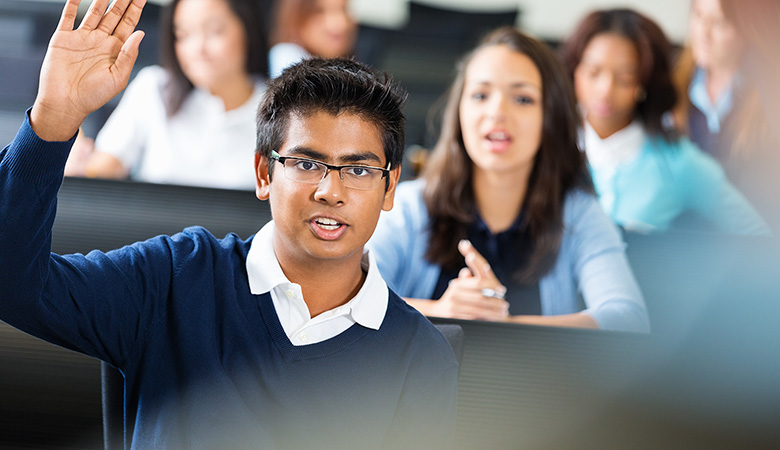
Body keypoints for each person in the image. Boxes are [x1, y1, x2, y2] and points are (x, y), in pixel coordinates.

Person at [0, 0, 457, 448]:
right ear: (263, 173)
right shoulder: (174, 277)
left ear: (390, 187)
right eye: (305, 164)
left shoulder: (419, 355)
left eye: (357, 170)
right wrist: (52, 121)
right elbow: (13, 284)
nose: (330, 191)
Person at [367, 27, 649, 333]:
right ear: (459, 112)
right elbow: (344, 299)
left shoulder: (580, 215)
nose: (497, 111)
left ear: (550, 118)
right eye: (480, 95)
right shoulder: (406, 206)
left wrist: (506, 325)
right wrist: (441, 311)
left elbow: (628, 321)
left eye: (523, 99)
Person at [559, 8, 769, 235]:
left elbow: (758, 236)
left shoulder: (677, 161)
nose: (605, 90)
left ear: (643, 83)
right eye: (593, 72)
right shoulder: (548, 143)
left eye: (624, 79)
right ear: (574, 71)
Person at [64, 0, 269, 190]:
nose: (197, 49)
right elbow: (103, 169)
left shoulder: (280, 106)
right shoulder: (154, 88)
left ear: (248, 29)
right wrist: (77, 161)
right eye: (183, 35)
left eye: (214, 31)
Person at [268, 0, 357, 78]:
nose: (341, 23)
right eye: (319, 11)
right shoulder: (286, 53)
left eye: (344, 9)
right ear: (296, 14)